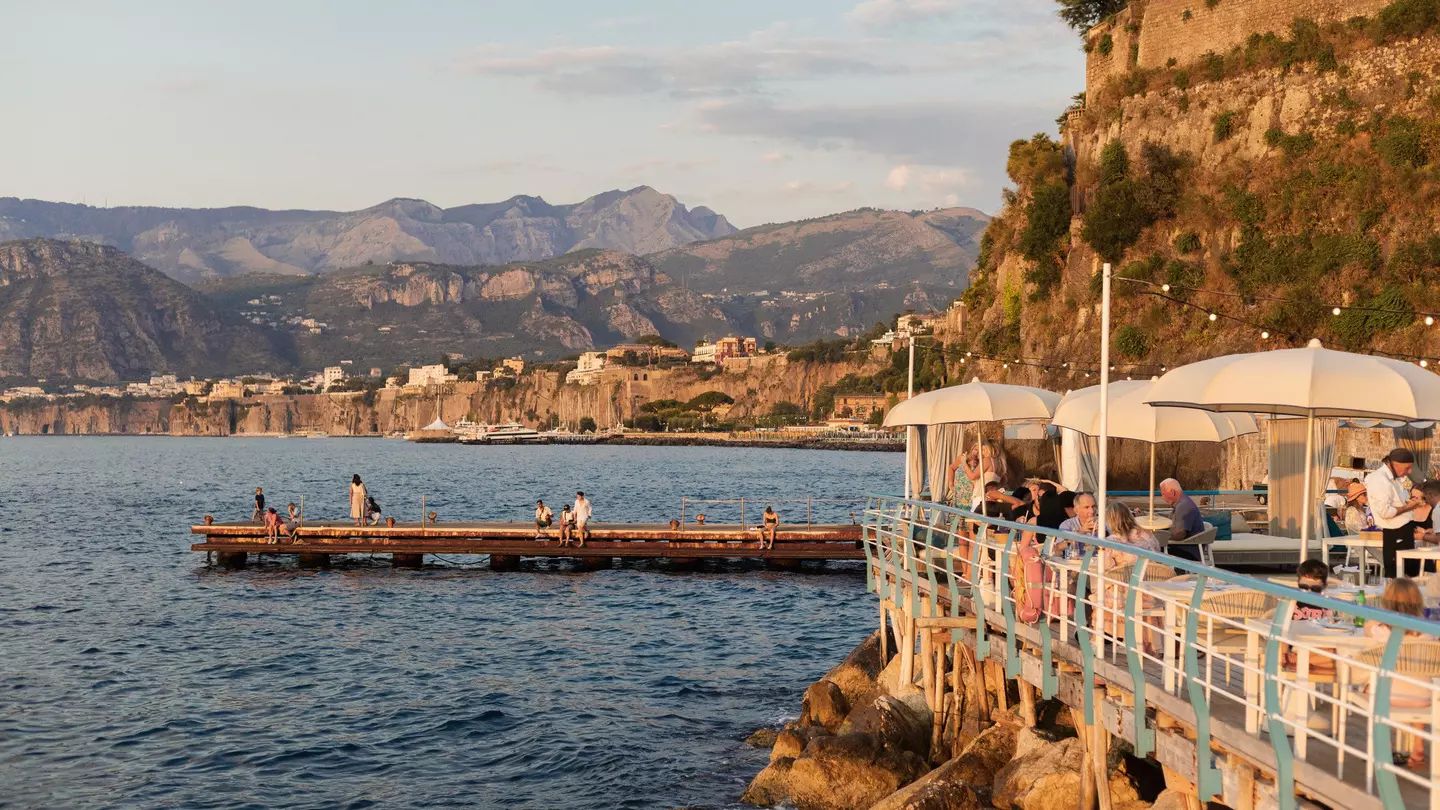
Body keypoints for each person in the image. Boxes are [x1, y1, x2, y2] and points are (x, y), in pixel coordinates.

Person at [1361, 578, 1430, 768]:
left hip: (1389, 697)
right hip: (1425, 698)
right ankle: (1418, 746)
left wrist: (1378, 617)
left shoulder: (1383, 631)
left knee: (1369, 687)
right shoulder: (1428, 632)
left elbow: (1367, 628)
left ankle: (1385, 744)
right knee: (1417, 680)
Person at [1365, 448, 1426, 578]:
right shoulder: (1379, 479)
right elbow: (1385, 512)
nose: (1409, 472)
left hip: (1404, 531)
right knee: (1397, 576)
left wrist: (1410, 503)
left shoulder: (1394, 479)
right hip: (1395, 533)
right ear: (1395, 464)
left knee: (1410, 575)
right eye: (1407, 468)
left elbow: (1397, 502)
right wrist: (1409, 507)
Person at [1160, 479, 1206, 562]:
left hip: (1188, 552)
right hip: (1192, 550)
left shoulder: (1183, 506)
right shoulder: (1183, 503)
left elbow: (1180, 535)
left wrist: (1160, 537)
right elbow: (1168, 519)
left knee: (1150, 549)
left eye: (1163, 494)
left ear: (1172, 492)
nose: (1162, 497)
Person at [1056, 492, 1098, 558]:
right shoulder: (1067, 525)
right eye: (1086, 507)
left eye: (1093, 506)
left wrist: (1103, 534)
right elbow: (1058, 548)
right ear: (1076, 510)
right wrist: (1080, 532)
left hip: (1097, 562)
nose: (1092, 511)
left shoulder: (1103, 524)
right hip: (1074, 562)